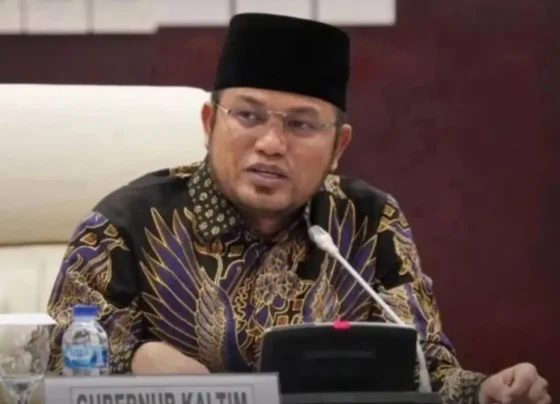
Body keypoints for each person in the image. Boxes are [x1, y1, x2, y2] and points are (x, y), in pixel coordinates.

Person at [46, 13, 550, 404]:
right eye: (248, 115)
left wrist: (484, 392)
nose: (271, 143)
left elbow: (425, 367)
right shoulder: (126, 225)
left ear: (338, 147)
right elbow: (49, 367)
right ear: (209, 123)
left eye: (301, 125)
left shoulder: (368, 222)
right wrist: (133, 359)